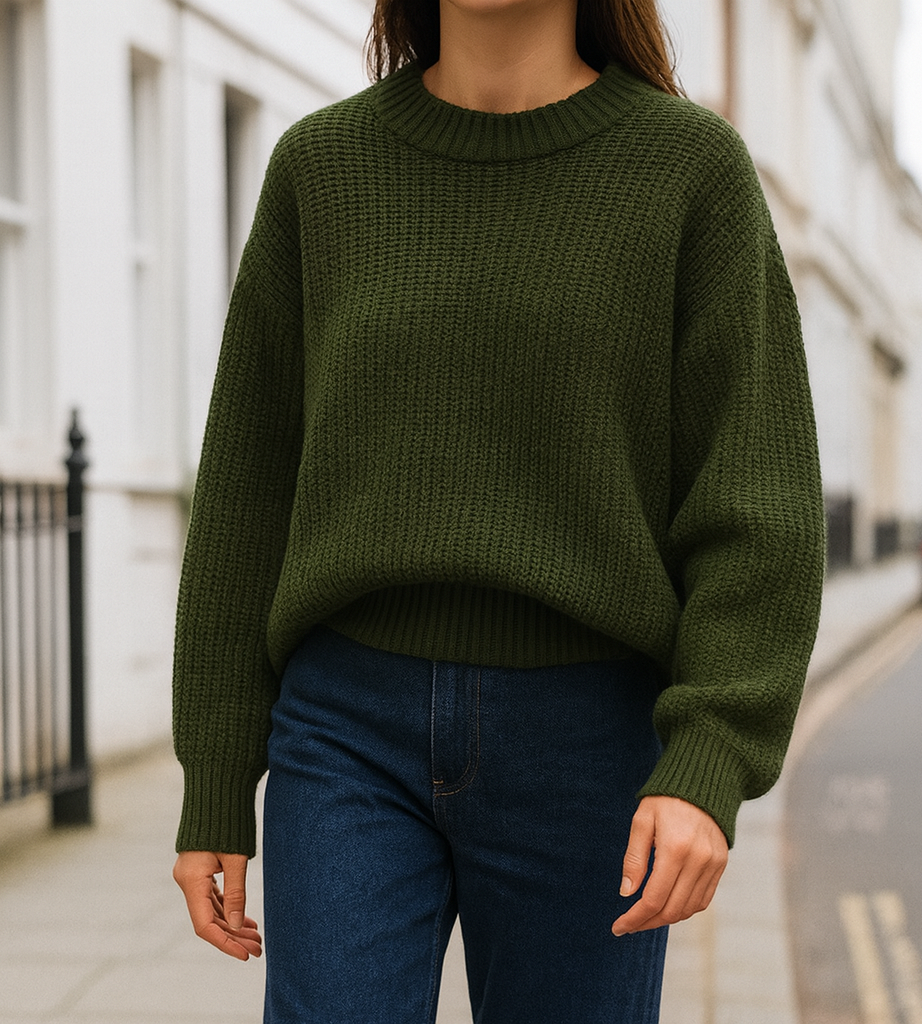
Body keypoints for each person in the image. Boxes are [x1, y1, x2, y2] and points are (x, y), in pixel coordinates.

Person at [172, 0, 825, 1020]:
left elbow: (757, 499)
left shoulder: (689, 172)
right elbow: (245, 495)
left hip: (591, 742)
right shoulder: (322, 170)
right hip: (345, 729)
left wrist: (710, 756)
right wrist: (216, 771)